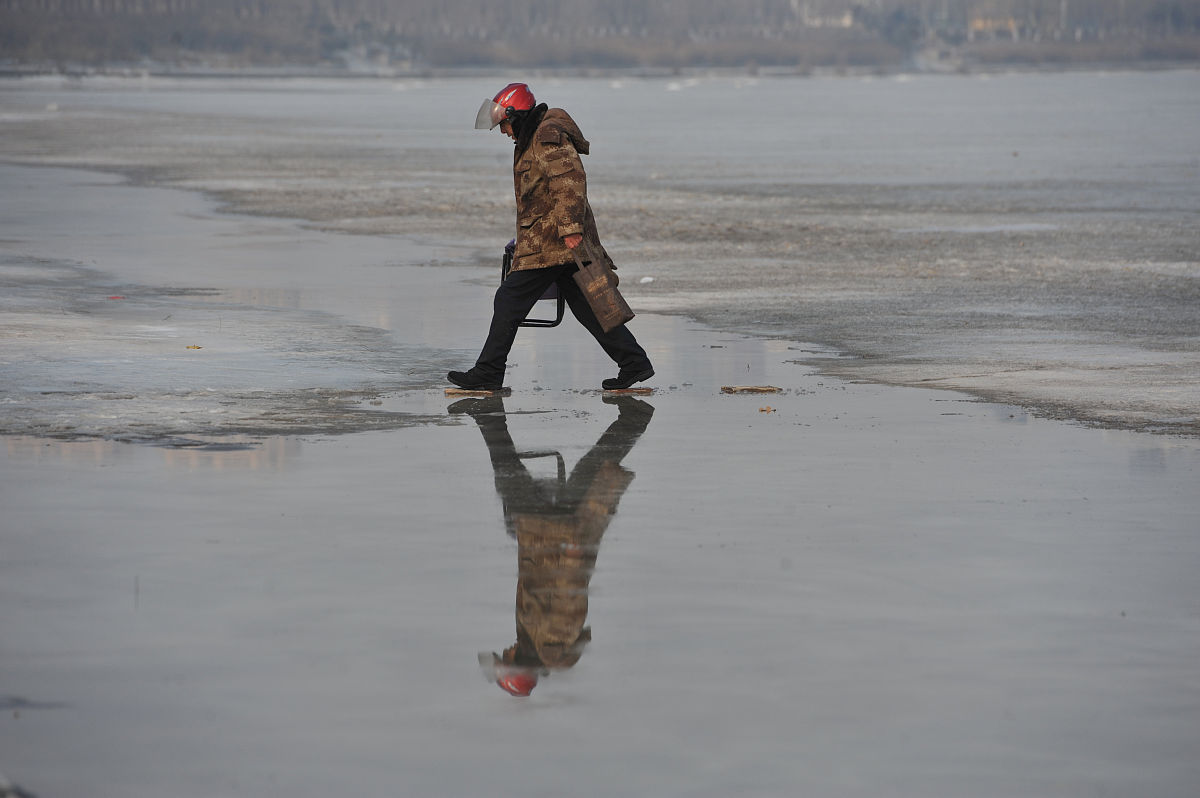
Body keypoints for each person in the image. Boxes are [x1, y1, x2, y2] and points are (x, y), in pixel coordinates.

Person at [448, 83, 654, 392]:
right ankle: (634, 363)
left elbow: (569, 181)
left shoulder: (546, 136)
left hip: (554, 241)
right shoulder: (533, 136)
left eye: (504, 124)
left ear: (515, 115)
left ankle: (488, 372)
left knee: (508, 300)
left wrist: (570, 229)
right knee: (589, 305)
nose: (503, 131)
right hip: (550, 238)